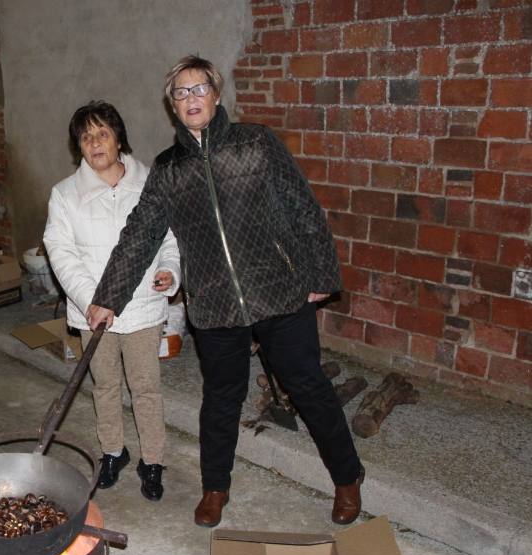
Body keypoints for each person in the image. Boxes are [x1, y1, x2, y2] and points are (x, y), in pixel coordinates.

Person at [87, 56, 365, 527]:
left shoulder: (256, 142)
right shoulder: (170, 169)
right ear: (172, 106)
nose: (191, 99)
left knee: (309, 387)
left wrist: (321, 274)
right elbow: (140, 234)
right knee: (220, 398)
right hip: (215, 303)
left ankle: (347, 478)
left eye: (199, 90)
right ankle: (215, 487)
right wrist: (107, 298)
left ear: (216, 95)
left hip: (277, 289)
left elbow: (302, 205)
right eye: (181, 93)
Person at [43, 101, 181, 501]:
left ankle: (152, 460)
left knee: (146, 387)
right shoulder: (65, 194)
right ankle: (112, 452)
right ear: (78, 147)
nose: (95, 143)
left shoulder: (151, 184)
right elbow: (61, 252)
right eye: (86, 137)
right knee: (104, 386)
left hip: (141, 308)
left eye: (102, 133)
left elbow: (171, 238)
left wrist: (170, 271)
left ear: (119, 137)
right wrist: (93, 301)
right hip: (91, 313)